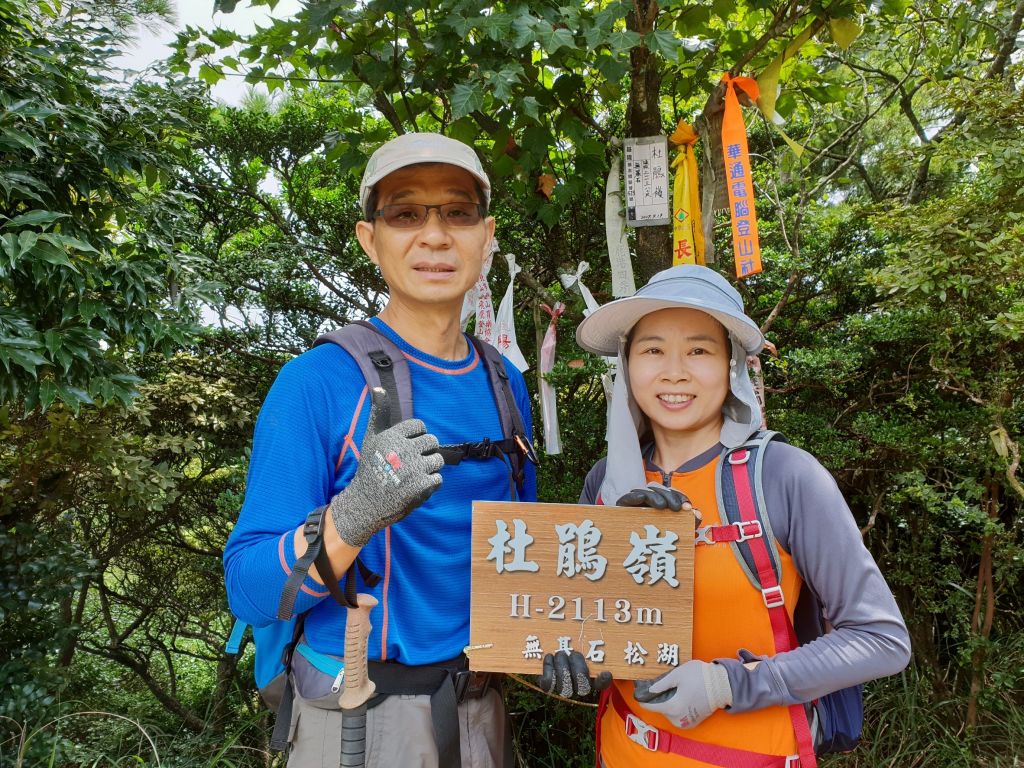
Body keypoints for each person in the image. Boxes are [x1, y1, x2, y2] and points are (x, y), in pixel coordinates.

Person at [223, 133, 538, 768]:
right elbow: (250, 588)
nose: (434, 235)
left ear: (487, 234)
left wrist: (564, 644)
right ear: (371, 240)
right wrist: (355, 514)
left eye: (457, 212)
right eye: (405, 214)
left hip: (479, 712)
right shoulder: (318, 382)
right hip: (355, 720)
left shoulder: (507, 383)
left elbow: (524, 561)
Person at [573, 264, 911, 767]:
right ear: (626, 363)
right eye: (652, 350)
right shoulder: (606, 480)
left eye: (699, 350)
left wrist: (726, 683)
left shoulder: (784, 475)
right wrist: (573, 661)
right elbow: (587, 621)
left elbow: (881, 639)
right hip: (621, 749)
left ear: (731, 364)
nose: (674, 371)